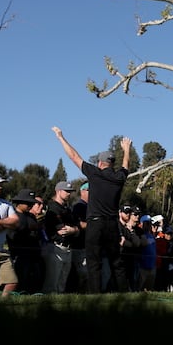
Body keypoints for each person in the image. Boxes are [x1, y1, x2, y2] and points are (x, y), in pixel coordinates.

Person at [51, 126, 132, 293]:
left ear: (100, 163)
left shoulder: (95, 173)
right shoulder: (119, 178)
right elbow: (126, 167)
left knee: (94, 262)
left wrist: (60, 137)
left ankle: (95, 295)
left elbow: (73, 156)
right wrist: (126, 150)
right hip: (112, 225)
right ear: (111, 164)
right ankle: (125, 294)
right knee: (116, 262)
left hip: (95, 224)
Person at [42, 181, 80, 294]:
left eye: (70, 192)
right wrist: (74, 230)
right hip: (56, 247)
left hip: (68, 248)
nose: (69, 194)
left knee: (62, 284)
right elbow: (62, 231)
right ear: (58, 191)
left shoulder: (67, 209)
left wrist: (73, 230)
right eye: (66, 191)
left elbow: (76, 229)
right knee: (52, 283)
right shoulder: (53, 208)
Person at [7, 188, 46, 294]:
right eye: (28, 203)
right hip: (20, 254)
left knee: (35, 280)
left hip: (34, 254)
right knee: (21, 281)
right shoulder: (13, 216)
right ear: (19, 202)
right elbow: (11, 236)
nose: (30, 205)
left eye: (32, 203)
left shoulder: (31, 216)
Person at [66, 182, 89, 293]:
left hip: (87, 247)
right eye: (89, 190)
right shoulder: (79, 206)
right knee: (82, 274)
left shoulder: (90, 206)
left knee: (86, 275)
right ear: (82, 191)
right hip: (79, 247)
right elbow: (77, 224)